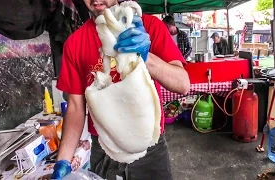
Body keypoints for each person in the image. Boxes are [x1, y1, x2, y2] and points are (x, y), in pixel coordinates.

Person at [51, 0, 190, 180]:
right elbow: (76, 108)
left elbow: (182, 84)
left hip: (149, 148)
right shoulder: (74, 44)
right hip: (105, 150)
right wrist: (63, 161)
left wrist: (145, 56)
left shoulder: (149, 27)